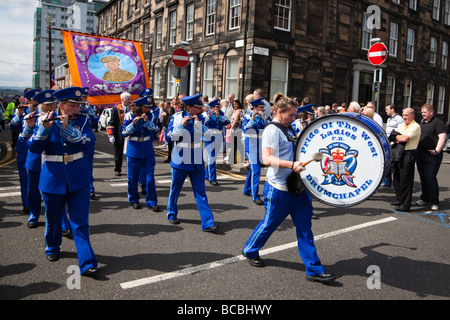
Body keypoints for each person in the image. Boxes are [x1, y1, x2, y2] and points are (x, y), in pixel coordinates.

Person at [242, 93, 335, 284]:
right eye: (291, 115)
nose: (294, 119)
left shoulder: (288, 127)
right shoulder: (271, 131)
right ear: (279, 112)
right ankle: (250, 250)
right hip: (278, 189)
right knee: (269, 224)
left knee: (305, 229)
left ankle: (314, 269)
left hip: (297, 188)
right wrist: (291, 165)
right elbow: (266, 160)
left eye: (295, 115)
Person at [28, 87, 98, 276]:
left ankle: (87, 262)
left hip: (79, 176)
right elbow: (33, 147)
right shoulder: (45, 120)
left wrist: (67, 128)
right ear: (61, 105)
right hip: (52, 177)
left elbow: (87, 142)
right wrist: (44, 128)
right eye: (72, 105)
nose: (76, 109)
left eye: (78, 105)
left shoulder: (83, 120)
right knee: (52, 219)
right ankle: (52, 247)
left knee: (80, 221)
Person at [165, 93, 219, 232]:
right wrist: (182, 126)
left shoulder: (203, 118)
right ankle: (171, 214)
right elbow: (169, 138)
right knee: (175, 189)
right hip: (180, 159)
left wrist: (198, 126)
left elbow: (209, 137)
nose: (201, 109)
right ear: (189, 108)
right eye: (197, 107)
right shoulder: (177, 117)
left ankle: (208, 222)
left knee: (201, 192)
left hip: (196, 160)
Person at [122, 96, 160, 211]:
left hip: (147, 149)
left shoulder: (151, 115)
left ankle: (151, 201)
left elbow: (155, 129)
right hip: (134, 149)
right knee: (132, 177)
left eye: (149, 107)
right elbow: (124, 133)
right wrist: (133, 125)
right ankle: (133, 199)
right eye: (145, 107)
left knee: (150, 177)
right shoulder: (129, 115)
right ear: (139, 107)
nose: (148, 109)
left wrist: (147, 122)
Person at [9, 89, 42, 213]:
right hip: (24, 149)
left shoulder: (44, 112)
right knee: (25, 178)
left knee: (39, 177)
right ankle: (27, 203)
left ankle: (38, 199)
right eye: (34, 99)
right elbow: (12, 127)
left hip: (39, 149)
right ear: (29, 100)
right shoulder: (21, 112)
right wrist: (19, 115)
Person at [415, 103, 447, 211]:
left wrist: (437, 150)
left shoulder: (438, 122)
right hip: (421, 153)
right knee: (423, 177)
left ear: (431, 112)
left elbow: (442, 137)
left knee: (430, 177)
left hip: (432, 155)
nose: (422, 114)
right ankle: (424, 198)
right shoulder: (422, 122)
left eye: (424, 112)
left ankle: (434, 201)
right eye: (422, 112)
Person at [390, 107, 421, 212]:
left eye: (406, 115)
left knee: (406, 180)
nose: (404, 117)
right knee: (397, 178)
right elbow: (392, 137)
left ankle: (406, 204)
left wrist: (397, 138)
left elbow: (405, 138)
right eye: (403, 115)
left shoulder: (416, 126)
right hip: (398, 153)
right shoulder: (401, 125)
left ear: (413, 115)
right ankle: (400, 199)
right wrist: (397, 138)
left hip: (408, 154)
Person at [242, 97, 269, 205]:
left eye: (263, 107)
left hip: (260, 145)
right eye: (260, 107)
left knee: (253, 169)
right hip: (251, 146)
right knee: (256, 170)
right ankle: (255, 195)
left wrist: (264, 119)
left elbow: (268, 128)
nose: (262, 109)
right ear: (254, 107)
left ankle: (247, 189)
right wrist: (252, 119)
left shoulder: (264, 117)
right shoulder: (247, 116)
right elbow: (245, 129)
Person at [204, 99, 230, 185]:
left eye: (219, 107)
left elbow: (227, 122)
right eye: (216, 107)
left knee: (213, 157)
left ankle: (207, 175)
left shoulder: (221, 114)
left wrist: (219, 117)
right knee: (211, 158)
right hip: (210, 137)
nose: (218, 109)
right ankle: (212, 178)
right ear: (212, 107)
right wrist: (210, 117)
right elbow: (204, 124)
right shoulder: (207, 114)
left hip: (218, 137)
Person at [107, 92, 132, 176]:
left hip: (130, 135)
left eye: (130, 99)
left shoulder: (133, 109)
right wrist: (111, 135)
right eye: (128, 99)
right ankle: (118, 169)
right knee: (118, 154)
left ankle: (130, 169)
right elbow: (111, 122)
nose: (129, 101)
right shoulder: (116, 109)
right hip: (119, 135)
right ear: (122, 100)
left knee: (130, 153)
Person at [80, 87, 97, 199]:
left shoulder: (89, 107)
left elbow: (95, 120)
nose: (85, 98)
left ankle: (90, 188)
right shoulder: (76, 108)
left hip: (88, 139)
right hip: (76, 139)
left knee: (88, 166)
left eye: (86, 97)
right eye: (83, 96)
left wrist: (89, 108)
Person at [383, 104, 403, 187]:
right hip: (388, 143)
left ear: (392, 109)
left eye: (387, 109)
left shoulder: (398, 119)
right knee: (387, 162)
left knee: (393, 164)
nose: (386, 111)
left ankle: (395, 183)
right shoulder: (389, 119)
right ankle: (387, 182)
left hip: (394, 144)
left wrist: (395, 140)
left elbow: (400, 130)